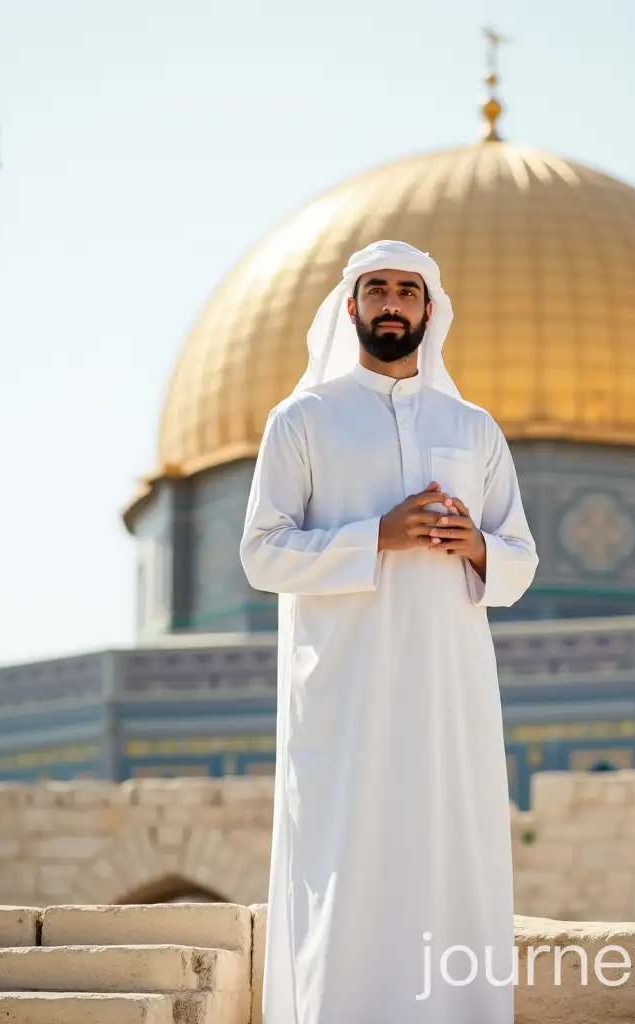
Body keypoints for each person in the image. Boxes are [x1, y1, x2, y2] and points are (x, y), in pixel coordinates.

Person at [239, 239, 538, 1023]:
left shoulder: (472, 429)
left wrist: (475, 545)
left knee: (449, 853)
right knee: (349, 855)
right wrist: (378, 534)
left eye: (409, 290)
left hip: (449, 688)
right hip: (345, 691)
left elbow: (520, 556)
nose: (394, 302)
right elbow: (261, 554)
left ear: (430, 312)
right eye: (378, 289)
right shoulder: (303, 420)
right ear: (352, 307)